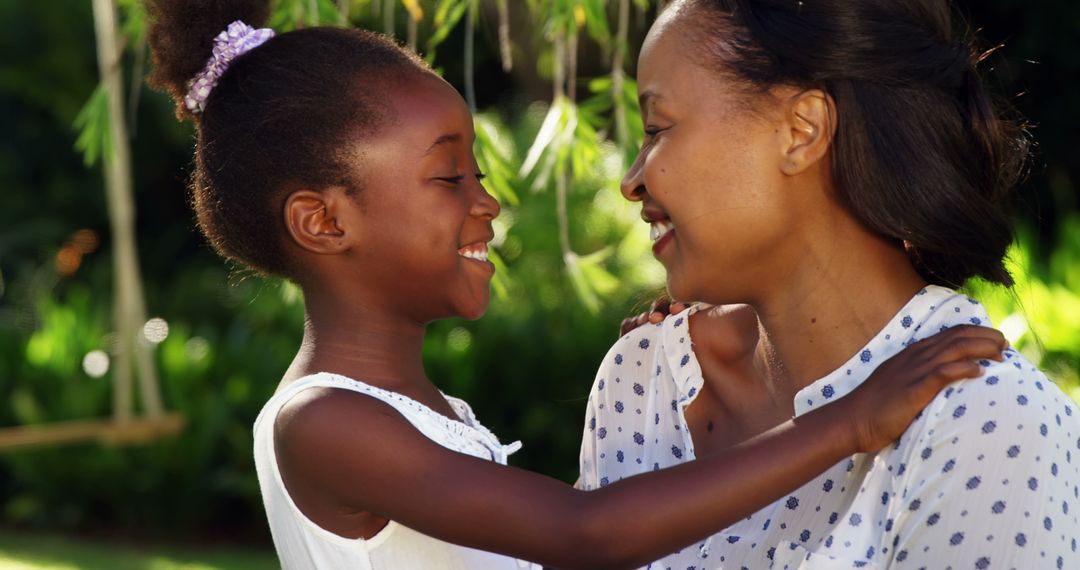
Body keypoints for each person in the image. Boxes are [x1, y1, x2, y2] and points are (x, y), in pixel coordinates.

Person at [145, 2, 1009, 568]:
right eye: (450, 179)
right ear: (324, 222)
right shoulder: (326, 423)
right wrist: (845, 423)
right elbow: (583, 534)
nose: (487, 204)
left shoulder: (408, 409)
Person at [578, 0, 1080, 568]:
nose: (631, 180)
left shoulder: (988, 420)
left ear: (802, 130)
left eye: (657, 128)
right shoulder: (646, 379)